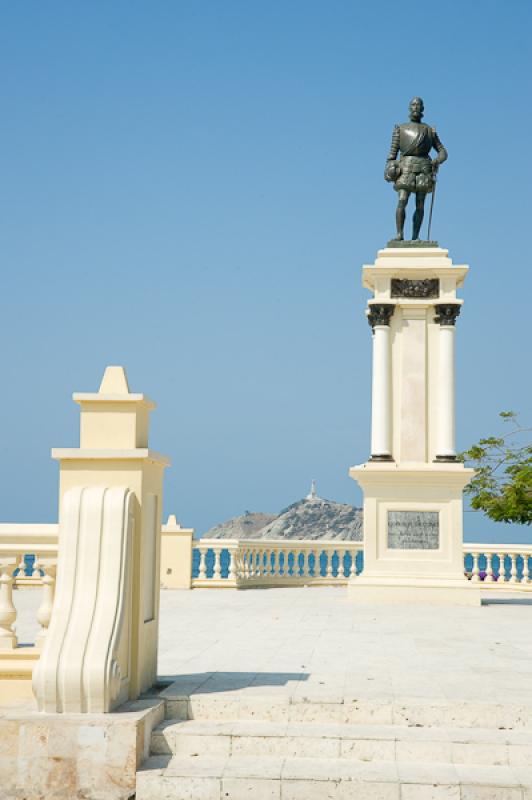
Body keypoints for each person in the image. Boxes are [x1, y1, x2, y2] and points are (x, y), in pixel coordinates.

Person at [385, 97, 447, 241]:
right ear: (409, 107)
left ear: (422, 108)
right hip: (405, 167)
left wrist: (436, 161)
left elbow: (443, 151)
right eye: (413, 104)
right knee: (402, 200)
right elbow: (392, 154)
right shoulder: (400, 129)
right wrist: (391, 167)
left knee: (420, 204)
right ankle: (399, 234)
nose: (416, 107)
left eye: (418, 105)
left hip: (424, 167)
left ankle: (415, 236)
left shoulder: (429, 131)